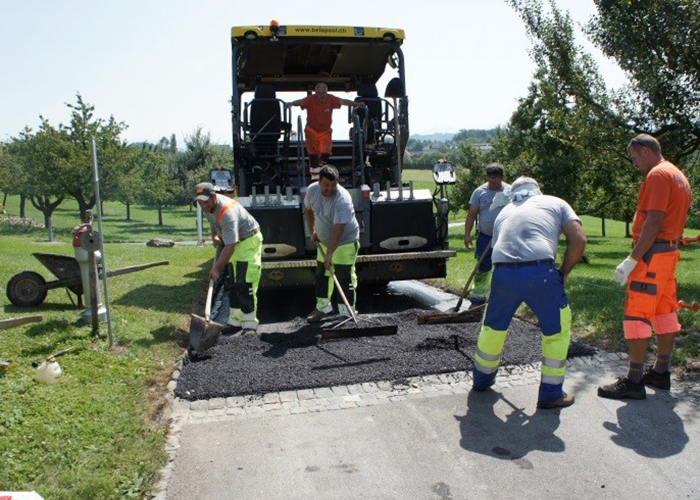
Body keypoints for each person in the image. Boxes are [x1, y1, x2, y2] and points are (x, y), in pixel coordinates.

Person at [471, 176, 587, 409]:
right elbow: (579, 239)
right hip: (540, 272)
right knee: (556, 330)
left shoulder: (504, 211)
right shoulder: (556, 203)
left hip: (502, 274)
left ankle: (482, 379)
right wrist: (563, 272)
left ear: (512, 193)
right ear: (537, 190)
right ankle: (551, 393)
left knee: (493, 327)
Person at [598, 134, 691, 400]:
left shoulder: (658, 175)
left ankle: (635, 380)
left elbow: (654, 221)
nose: (635, 163)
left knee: (636, 315)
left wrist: (632, 260)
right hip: (669, 254)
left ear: (645, 150)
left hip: (652, 255)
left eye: (634, 157)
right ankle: (661, 372)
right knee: (664, 313)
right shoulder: (677, 174)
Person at [195, 182, 263, 334]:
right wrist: (214, 236)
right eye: (199, 202)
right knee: (232, 283)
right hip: (232, 242)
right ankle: (235, 321)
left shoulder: (227, 213)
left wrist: (217, 269)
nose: (203, 206)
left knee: (244, 282)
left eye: (205, 201)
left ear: (213, 197)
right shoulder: (207, 206)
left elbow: (231, 245)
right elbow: (213, 220)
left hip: (248, 241)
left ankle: (249, 324)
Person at [303, 165, 360, 322]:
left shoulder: (342, 199)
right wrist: (312, 231)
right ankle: (322, 308)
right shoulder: (312, 190)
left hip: (345, 242)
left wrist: (330, 255)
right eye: (326, 185)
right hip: (324, 241)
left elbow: (339, 229)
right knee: (322, 276)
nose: (330, 189)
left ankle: (346, 313)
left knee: (344, 276)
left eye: (333, 185)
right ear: (319, 181)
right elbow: (307, 210)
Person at [287, 83, 365, 181]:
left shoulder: (331, 99)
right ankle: (315, 176)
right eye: (319, 93)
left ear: (327, 92)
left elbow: (343, 101)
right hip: (311, 130)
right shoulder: (310, 99)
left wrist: (356, 104)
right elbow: (301, 102)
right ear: (316, 93)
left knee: (325, 151)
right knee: (313, 153)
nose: (322, 95)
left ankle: (322, 169)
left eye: (324, 93)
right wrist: (290, 103)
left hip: (325, 131)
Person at [464, 163, 511, 307]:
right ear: (486, 177)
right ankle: (478, 299)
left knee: (504, 268)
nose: (493, 182)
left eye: (496, 179)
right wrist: (467, 235)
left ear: (502, 177)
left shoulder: (510, 191)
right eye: (490, 179)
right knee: (483, 268)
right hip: (486, 237)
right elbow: (471, 215)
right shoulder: (479, 192)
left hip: (505, 238)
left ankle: (500, 298)